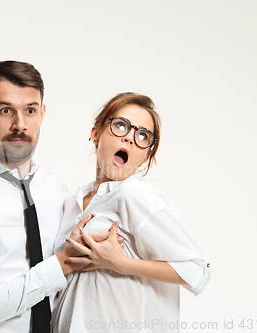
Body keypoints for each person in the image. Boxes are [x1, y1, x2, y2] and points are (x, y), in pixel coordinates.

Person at [0, 61, 117, 333]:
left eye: (30, 110)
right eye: (6, 110)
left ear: (42, 113)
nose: (20, 124)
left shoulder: (55, 187)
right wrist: (61, 263)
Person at [52, 92, 211, 333]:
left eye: (142, 136)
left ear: (147, 154)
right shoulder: (71, 204)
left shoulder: (133, 194)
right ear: (96, 134)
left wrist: (121, 263)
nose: (128, 139)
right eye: (120, 126)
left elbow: (196, 270)